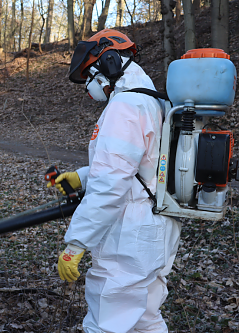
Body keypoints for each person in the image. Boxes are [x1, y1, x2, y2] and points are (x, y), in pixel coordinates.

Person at [51, 29, 182, 332]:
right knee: (144, 317)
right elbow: (142, 165)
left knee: (107, 319)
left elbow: (111, 185)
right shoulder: (155, 101)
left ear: (110, 62)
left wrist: (76, 243)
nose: (89, 87)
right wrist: (82, 176)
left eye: (89, 76)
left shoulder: (124, 107)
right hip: (158, 222)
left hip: (131, 231)